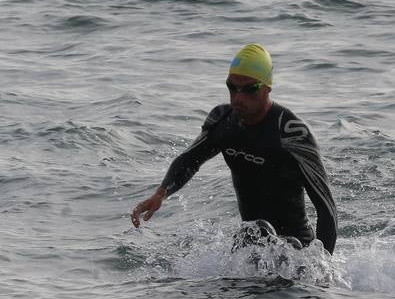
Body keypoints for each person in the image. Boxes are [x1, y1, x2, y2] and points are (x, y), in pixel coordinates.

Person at [130, 44, 338, 253]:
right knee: (251, 234)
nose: (238, 97)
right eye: (232, 87)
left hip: (296, 250)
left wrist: (322, 270)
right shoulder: (223, 120)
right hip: (253, 249)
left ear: (267, 87)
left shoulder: (292, 133)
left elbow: (326, 209)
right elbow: (190, 160)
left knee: (257, 231)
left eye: (249, 89)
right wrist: (161, 194)